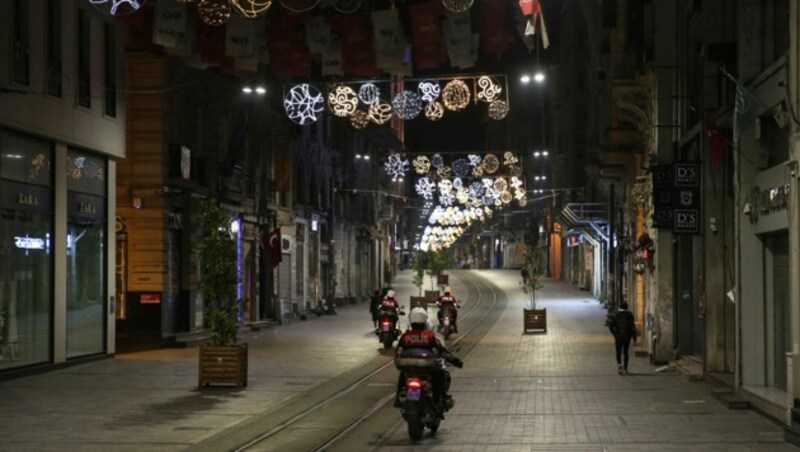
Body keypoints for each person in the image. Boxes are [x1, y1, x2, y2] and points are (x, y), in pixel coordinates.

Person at [394, 307, 463, 409]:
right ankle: (439, 400)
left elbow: (398, 351)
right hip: (426, 367)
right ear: (424, 322)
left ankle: (398, 400)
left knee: (403, 376)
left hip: (408, 367)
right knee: (439, 375)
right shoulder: (429, 336)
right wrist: (455, 361)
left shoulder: (405, 336)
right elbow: (441, 351)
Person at [608, 302, 637, 375]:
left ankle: (619, 366)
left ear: (620, 307)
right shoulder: (630, 315)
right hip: (627, 336)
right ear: (627, 307)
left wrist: (614, 334)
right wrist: (634, 337)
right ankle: (626, 368)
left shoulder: (616, 314)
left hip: (618, 336)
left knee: (618, 352)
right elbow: (633, 327)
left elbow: (611, 326)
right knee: (625, 352)